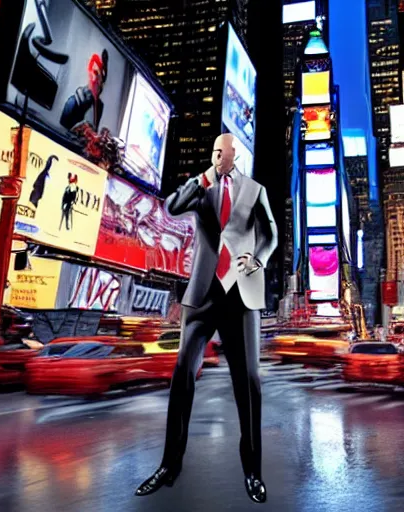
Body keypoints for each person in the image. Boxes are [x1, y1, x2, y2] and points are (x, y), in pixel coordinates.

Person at [135, 133, 278, 503]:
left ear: (235, 156)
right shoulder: (202, 186)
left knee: (248, 382)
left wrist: (258, 258)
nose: (217, 157)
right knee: (182, 372)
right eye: (213, 151)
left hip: (242, 294)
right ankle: (169, 466)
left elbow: (271, 234)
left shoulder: (255, 190)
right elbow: (170, 207)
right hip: (203, 294)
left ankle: (253, 472)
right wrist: (201, 179)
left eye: (222, 153)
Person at [60, 49, 109, 132]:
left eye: (100, 77)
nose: (97, 80)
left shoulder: (99, 106)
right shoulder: (72, 102)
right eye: (95, 73)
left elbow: (95, 131)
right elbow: (61, 130)